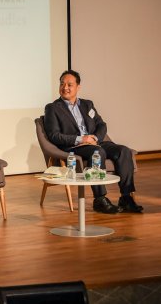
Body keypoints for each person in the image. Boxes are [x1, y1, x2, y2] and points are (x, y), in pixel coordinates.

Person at [44, 70, 143, 214]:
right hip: (74, 146)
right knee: (97, 152)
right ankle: (100, 199)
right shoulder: (52, 108)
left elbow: (101, 125)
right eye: (62, 84)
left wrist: (95, 138)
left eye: (69, 84)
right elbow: (54, 135)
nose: (65, 87)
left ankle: (126, 198)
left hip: (94, 142)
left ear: (78, 87)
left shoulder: (87, 104)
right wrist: (81, 139)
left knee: (124, 151)